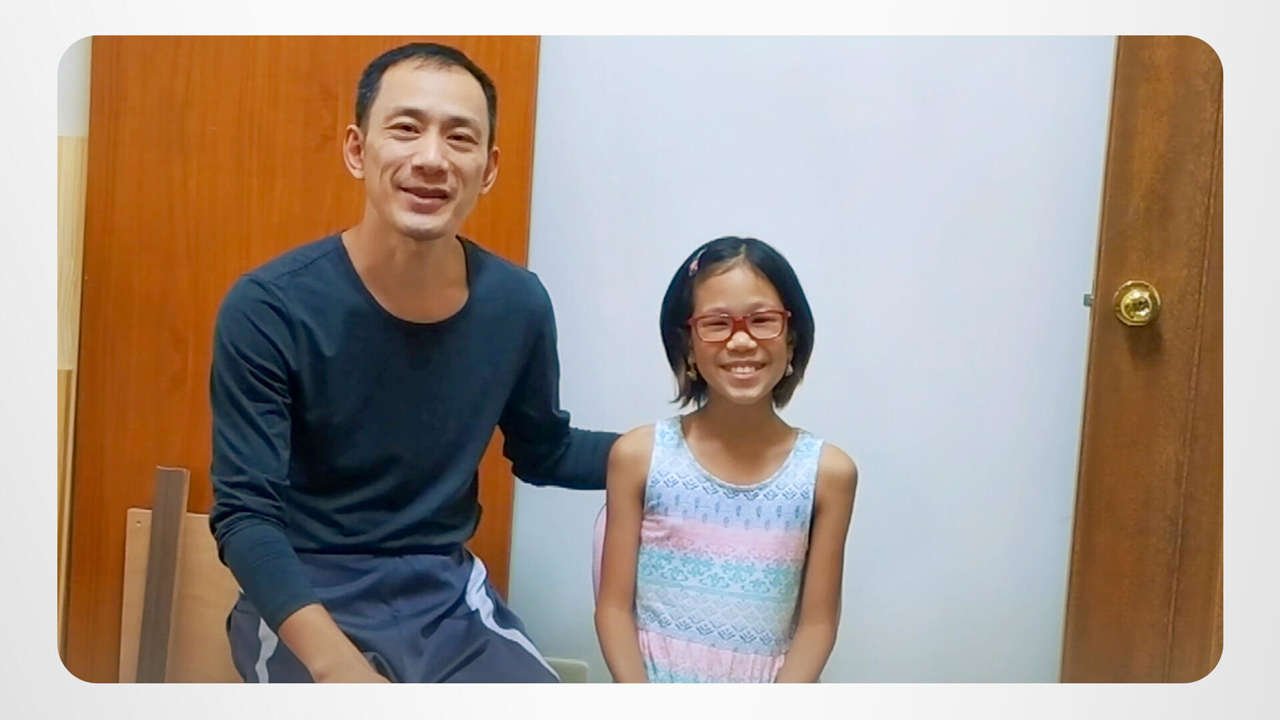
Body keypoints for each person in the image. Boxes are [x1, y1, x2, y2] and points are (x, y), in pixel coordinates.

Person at [208, 42, 616, 683]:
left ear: (488, 168)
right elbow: (245, 516)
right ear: (356, 150)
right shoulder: (270, 306)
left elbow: (545, 450)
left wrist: (684, 452)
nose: (432, 158)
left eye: (460, 137)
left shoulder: (517, 303)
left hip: (445, 593)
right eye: (405, 128)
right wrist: (338, 668)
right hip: (305, 593)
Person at [594, 236, 857, 682]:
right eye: (717, 324)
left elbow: (818, 624)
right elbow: (613, 608)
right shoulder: (638, 457)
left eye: (762, 320)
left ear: (792, 339)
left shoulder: (827, 474)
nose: (741, 341)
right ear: (688, 345)